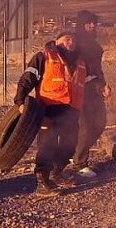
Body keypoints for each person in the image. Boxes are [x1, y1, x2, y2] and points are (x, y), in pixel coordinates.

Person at [14, 31, 87, 197]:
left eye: (74, 40)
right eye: (68, 39)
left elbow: (86, 83)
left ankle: (56, 172)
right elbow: (28, 78)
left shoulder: (80, 62)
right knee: (47, 144)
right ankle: (42, 182)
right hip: (48, 108)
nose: (72, 42)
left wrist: (101, 87)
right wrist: (20, 101)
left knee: (70, 144)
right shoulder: (44, 56)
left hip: (71, 109)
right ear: (57, 41)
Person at [72, 10, 111, 178]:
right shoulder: (73, 44)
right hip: (78, 89)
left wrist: (103, 85)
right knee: (85, 126)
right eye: (89, 23)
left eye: (94, 22)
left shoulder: (94, 45)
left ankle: (76, 153)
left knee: (100, 122)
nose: (92, 25)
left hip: (94, 88)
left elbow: (97, 69)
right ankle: (79, 164)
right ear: (81, 24)